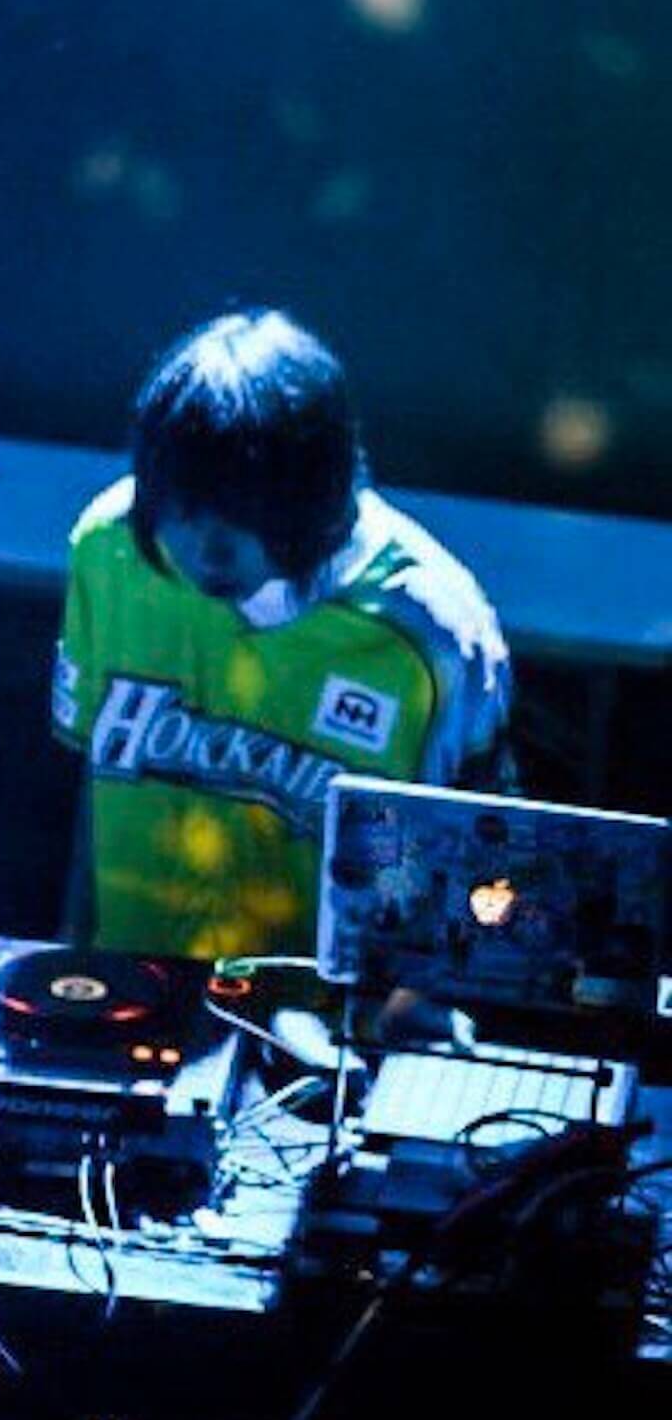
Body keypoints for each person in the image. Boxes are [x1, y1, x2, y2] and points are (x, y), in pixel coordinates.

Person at [53, 309, 514, 965]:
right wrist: (73, 964)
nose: (206, 550)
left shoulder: (436, 633)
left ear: (315, 494)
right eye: (183, 514)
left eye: (240, 518)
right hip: (134, 990)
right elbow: (90, 790)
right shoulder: (110, 548)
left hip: (324, 1017)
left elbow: (480, 867)